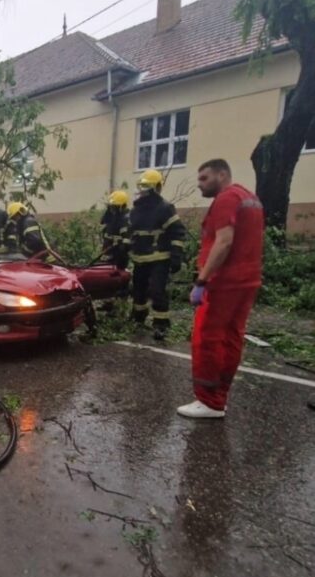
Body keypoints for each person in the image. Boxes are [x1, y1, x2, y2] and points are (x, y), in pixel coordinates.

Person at [177, 158, 264, 419]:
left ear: (222, 174)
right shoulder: (250, 198)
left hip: (223, 283)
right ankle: (220, 395)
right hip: (247, 280)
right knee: (231, 337)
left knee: (207, 338)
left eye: (204, 178)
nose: (200, 185)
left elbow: (224, 242)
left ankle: (209, 401)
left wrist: (202, 281)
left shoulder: (226, 199)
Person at [128, 168, 185, 341]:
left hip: (160, 258)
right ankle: (138, 318)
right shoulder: (136, 210)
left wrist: (176, 257)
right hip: (139, 258)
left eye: (145, 188)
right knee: (138, 290)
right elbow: (131, 231)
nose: (142, 192)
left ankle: (161, 325)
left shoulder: (165, 208)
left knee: (157, 291)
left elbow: (177, 232)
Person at [101, 190, 130, 269]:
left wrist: (119, 256)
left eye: (114, 207)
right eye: (110, 207)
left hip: (118, 261)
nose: (111, 209)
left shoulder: (125, 220)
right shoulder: (112, 219)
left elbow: (126, 244)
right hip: (107, 258)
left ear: (121, 206)